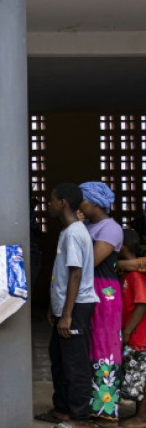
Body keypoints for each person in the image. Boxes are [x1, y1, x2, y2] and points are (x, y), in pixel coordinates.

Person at [35, 183, 99, 428]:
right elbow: (62, 275)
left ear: (62, 203)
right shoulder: (68, 231)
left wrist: (68, 315)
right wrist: (55, 307)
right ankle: (62, 409)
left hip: (77, 307)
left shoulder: (74, 233)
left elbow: (75, 274)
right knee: (59, 359)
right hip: (66, 306)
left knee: (75, 364)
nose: (48, 204)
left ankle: (81, 418)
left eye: (51, 199)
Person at [79, 181, 125, 422]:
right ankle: (88, 402)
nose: (79, 205)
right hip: (86, 289)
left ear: (94, 202)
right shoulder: (85, 225)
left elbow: (91, 261)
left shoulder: (111, 228)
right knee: (88, 345)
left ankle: (106, 408)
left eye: (82, 200)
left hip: (104, 292)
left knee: (105, 345)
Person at [119, 229, 146, 428]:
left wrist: (128, 330)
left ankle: (141, 417)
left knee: (142, 377)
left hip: (140, 335)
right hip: (136, 333)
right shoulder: (129, 272)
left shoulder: (136, 276)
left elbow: (142, 304)